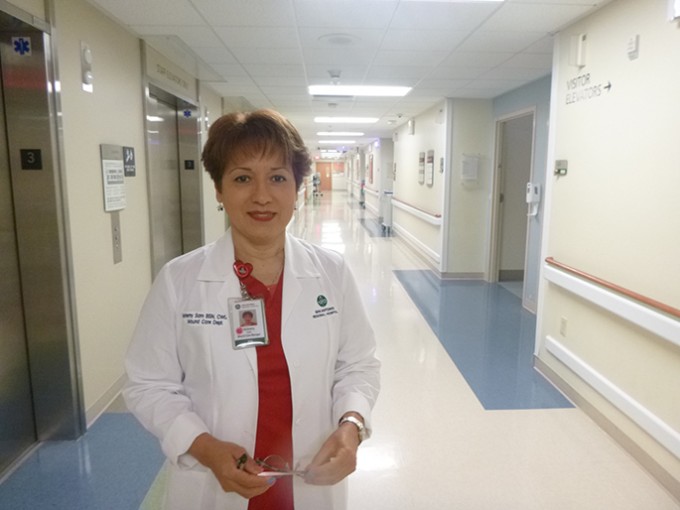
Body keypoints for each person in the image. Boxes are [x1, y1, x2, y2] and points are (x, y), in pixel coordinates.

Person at [123, 109, 380, 510]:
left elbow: (359, 365)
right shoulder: (180, 280)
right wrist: (204, 447)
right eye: (242, 178)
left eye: (278, 177)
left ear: (297, 187)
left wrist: (351, 426)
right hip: (214, 483)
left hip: (309, 479)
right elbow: (148, 384)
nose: (262, 195)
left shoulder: (331, 274)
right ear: (219, 190)